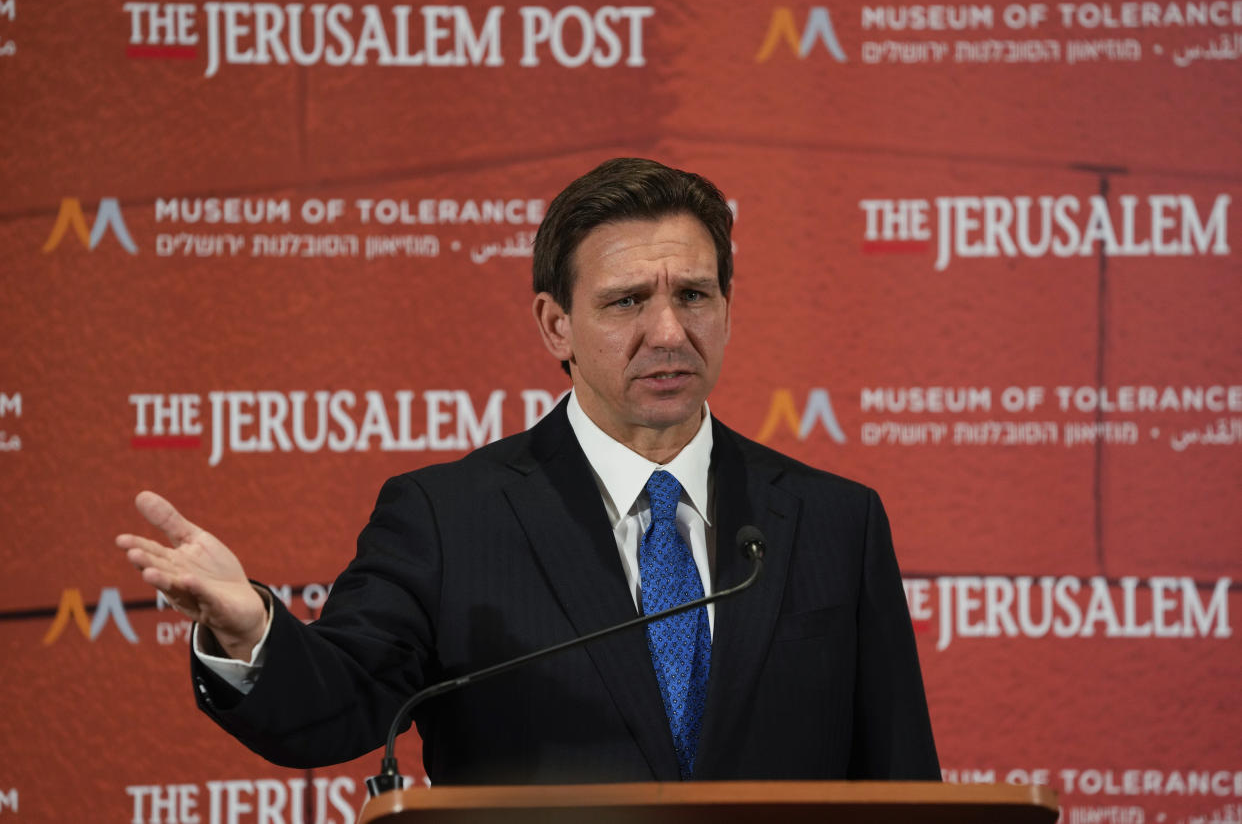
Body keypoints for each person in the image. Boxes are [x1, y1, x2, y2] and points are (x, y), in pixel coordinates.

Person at [118, 158, 939, 784]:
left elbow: (903, 779)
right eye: (625, 302)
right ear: (556, 325)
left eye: (694, 295)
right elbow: (338, 708)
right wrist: (250, 630)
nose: (667, 330)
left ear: (727, 307)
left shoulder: (835, 521)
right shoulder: (448, 519)